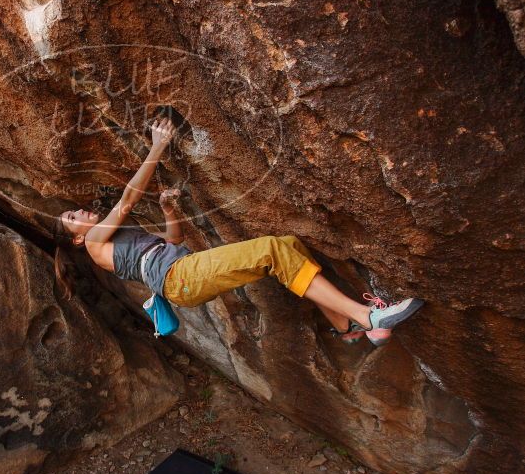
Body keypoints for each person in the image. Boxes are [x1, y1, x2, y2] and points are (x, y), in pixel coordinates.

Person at [53, 113, 423, 346]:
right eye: (73, 218)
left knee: (287, 244)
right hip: (178, 278)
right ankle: (368, 317)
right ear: (77, 238)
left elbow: (174, 241)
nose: (79, 211)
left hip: (181, 271)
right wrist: (158, 147)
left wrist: (168, 210)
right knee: (271, 252)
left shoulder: (114, 240)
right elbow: (129, 199)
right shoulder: (95, 243)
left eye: (73, 210)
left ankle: (343, 323)